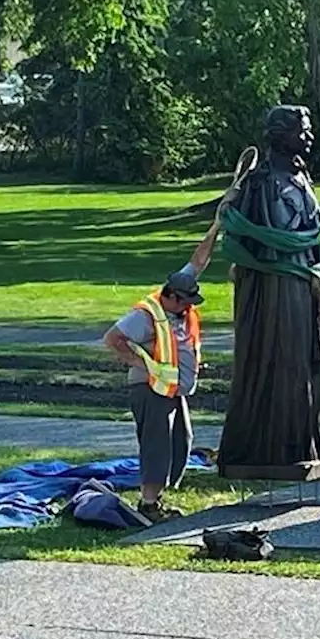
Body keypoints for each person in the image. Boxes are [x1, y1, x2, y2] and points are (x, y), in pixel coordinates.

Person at [218, 104, 320, 475]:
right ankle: (271, 448)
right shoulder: (264, 183)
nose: (308, 137)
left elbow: (308, 237)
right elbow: (268, 238)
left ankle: (301, 443)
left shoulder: (300, 178)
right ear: (278, 135)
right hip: (277, 288)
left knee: (309, 363)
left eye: (308, 130)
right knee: (284, 362)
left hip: (304, 283)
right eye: (301, 131)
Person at [103, 220, 220, 523]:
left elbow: (199, 260)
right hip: (150, 389)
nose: (188, 308)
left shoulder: (182, 294)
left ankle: (158, 497)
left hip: (172, 390)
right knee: (157, 445)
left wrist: (218, 223)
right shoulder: (145, 316)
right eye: (185, 303)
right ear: (171, 296)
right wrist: (137, 362)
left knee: (182, 441)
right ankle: (149, 504)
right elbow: (111, 339)